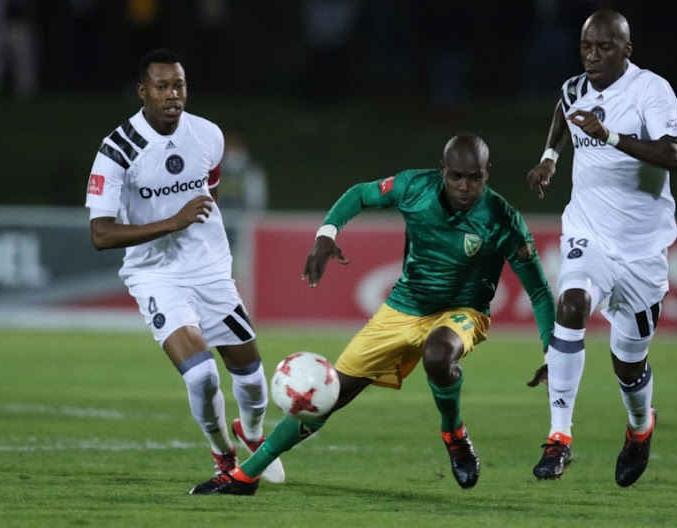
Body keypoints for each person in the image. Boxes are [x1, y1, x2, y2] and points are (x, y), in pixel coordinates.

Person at [200, 132, 556, 495]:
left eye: (474, 178)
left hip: (463, 312)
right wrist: (327, 233)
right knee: (326, 395)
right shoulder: (412, 187)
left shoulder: (503, 220)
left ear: (487, 174)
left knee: (438, 353)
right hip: (402, 307)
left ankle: (454, 433)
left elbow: (540, 291)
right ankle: (246, 477)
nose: (465, 187)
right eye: (456, 177)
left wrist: (551, 353)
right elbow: (359, 194)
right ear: (442, 170)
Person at [83, 49, 285, 495]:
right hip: (155, 275)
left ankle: (253, 433)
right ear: (142, 92)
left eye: (179, 85)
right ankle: (225, 458)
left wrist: (190, 231)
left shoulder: (208, 135)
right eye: (162, 87)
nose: (173, 95)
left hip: (210, 269)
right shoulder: (117, 150)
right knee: (201, 374)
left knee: (251, 378)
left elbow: (206, 192)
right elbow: (100, 234)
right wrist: (171, 222)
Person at [525, 10, 677, 486]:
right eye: (586, 47)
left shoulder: (650, 91)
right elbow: (564, 108)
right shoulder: (576, 87)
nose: (593, 56)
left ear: (627, 50)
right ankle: (559, 439)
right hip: (587, 232)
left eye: (604, 48)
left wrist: (611, 136)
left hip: (641, 251)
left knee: (628, 364)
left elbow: (674, 155)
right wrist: (550, 158)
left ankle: (640, 427)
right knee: (571, 305)